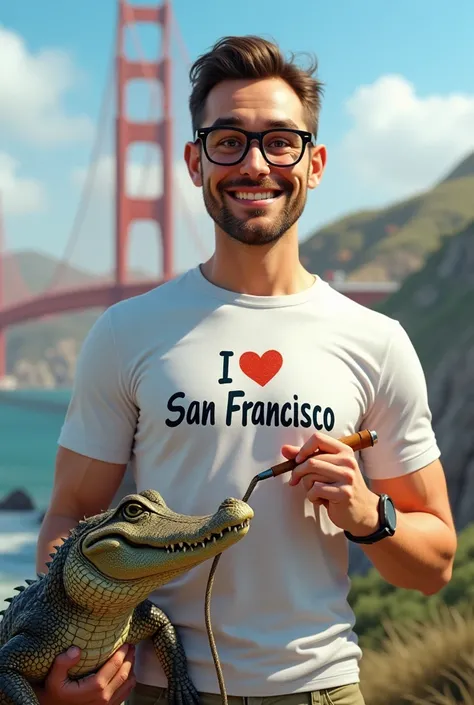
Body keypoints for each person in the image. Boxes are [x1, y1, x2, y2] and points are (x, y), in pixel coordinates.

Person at [35, 35, 456, 705]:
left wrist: (367, 513)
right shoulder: (125, 331)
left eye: (280, 142)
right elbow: (72, 514)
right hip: (154, 687)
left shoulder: (377, 341)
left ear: (314, 164)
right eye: (228, 140)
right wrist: (70, 660)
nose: (255, 164)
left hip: (320, 689)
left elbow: (435, 561)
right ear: (194, 161)